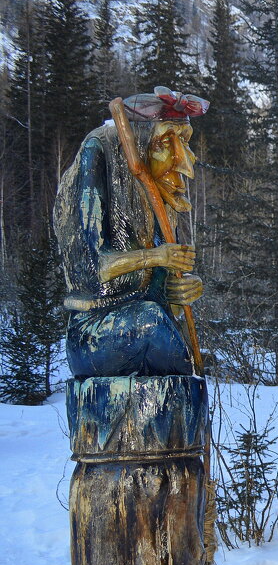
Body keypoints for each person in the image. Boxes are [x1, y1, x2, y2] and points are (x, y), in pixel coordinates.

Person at [55, 87, 207, 378]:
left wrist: (178, 292)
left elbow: (158, 292)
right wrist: (155, 256)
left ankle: (184, 405)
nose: (185, 161)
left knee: (156, 324)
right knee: (151, 323)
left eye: (184, 141)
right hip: (95, 335)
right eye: (165, 142)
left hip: (146, 327)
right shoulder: (99, 158)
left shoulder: (156, 200)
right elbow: (91, 268)